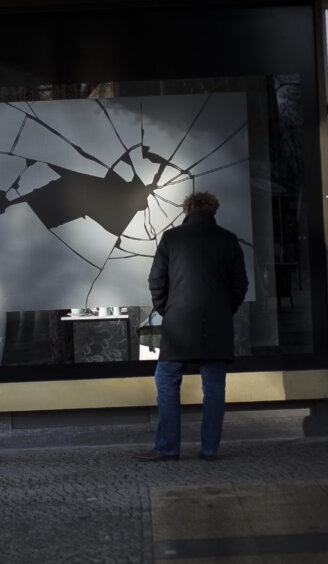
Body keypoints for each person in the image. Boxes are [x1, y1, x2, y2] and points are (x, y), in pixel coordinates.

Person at [135, 191, 249, 462]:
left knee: (166, 380)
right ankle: (210, 448)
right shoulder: (228, 240)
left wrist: (168, 310)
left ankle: (168, 447)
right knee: (214, 388)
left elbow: (156, 281)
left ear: (187, 209)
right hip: (217, 324)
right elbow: (240, 285)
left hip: (179, 324)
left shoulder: (172, 238)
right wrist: (224, 310)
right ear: (214, 210)